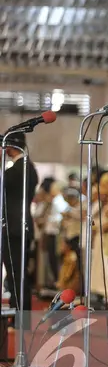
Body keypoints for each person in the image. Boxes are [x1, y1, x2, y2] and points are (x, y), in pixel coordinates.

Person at [1, 133, 38, 327]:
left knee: (17, 273)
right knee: (17, 273)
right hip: (19, 226)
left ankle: (20, 318)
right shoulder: (26, 167)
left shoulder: (19, 169)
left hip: (15, 228)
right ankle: (19, 316)